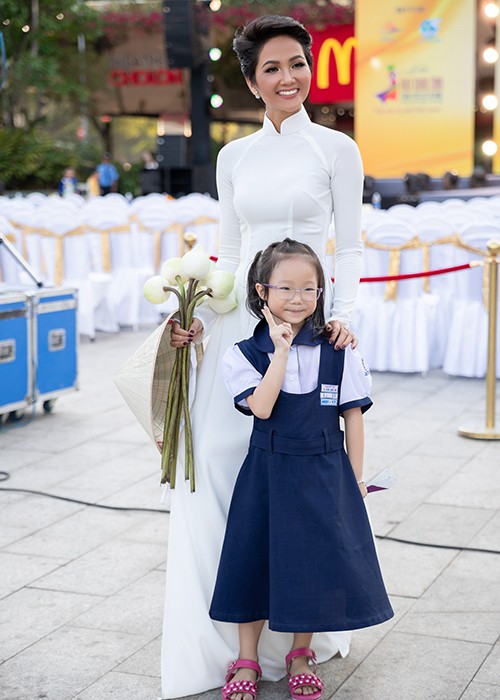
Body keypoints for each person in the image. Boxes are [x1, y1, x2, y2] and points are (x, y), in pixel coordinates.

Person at [162, 15, 364, 698]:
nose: (289, 78)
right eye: (272, 68)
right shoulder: (234, 158)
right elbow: (225, 251)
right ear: (251, 81)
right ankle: (235, 641)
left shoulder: (337, 149)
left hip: (309, 323)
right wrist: (194, 317)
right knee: (222, 466)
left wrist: (344, 319)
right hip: (239, 329)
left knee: (306, 476)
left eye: (298, 63)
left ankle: (299, 638)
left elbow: (353, 248)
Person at [210, 239, 393, 700]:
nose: (297, 298)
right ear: (261, 292)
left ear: (321, 292)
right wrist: (281, 350)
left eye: (308, 289)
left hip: (324, 471)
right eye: (285, 288)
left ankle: (300, 654)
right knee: (254, 559)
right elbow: (264, 408)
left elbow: (352, 416)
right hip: (267, 473)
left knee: (313, 562)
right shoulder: (243, 354)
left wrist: (355, 480)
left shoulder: (339, 349)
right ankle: (247, 658)